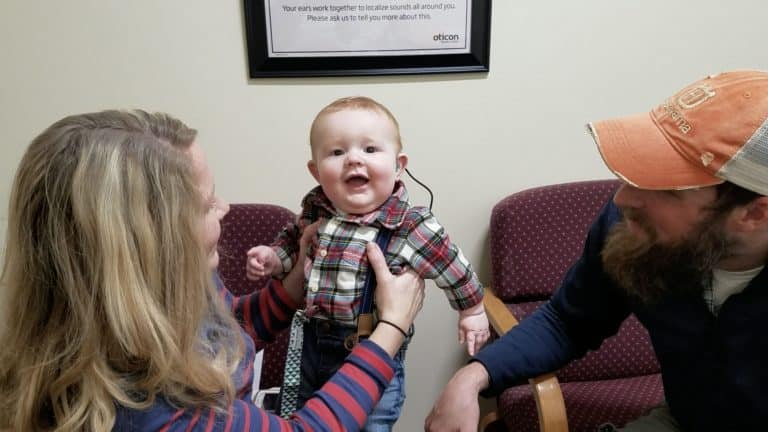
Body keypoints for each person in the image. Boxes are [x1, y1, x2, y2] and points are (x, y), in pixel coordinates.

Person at [0, 109, 426, 431]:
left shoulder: (165, 287)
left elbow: (224, 334)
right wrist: (389, 330)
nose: (224, 210)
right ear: (147, 248)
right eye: (207, 204)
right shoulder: (157, 413)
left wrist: (291, 289)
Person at [426, 69, 768, 432]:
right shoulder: (632, 229)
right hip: (690, 415)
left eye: (667, 189)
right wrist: (472, 378)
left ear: (754, 213)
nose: (623, 198)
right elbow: (568, 321)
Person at [245, 96, 489, 429]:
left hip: (372, 349)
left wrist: (472, 310)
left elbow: (454, 267)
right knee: (310, 418)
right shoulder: (316, 212)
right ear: (316, 171)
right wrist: (273, 259)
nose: (354, 159)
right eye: (337, 152)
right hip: (313, 347)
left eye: (370, 150)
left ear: (399, 164)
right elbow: (292, 247)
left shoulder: (411, 225)